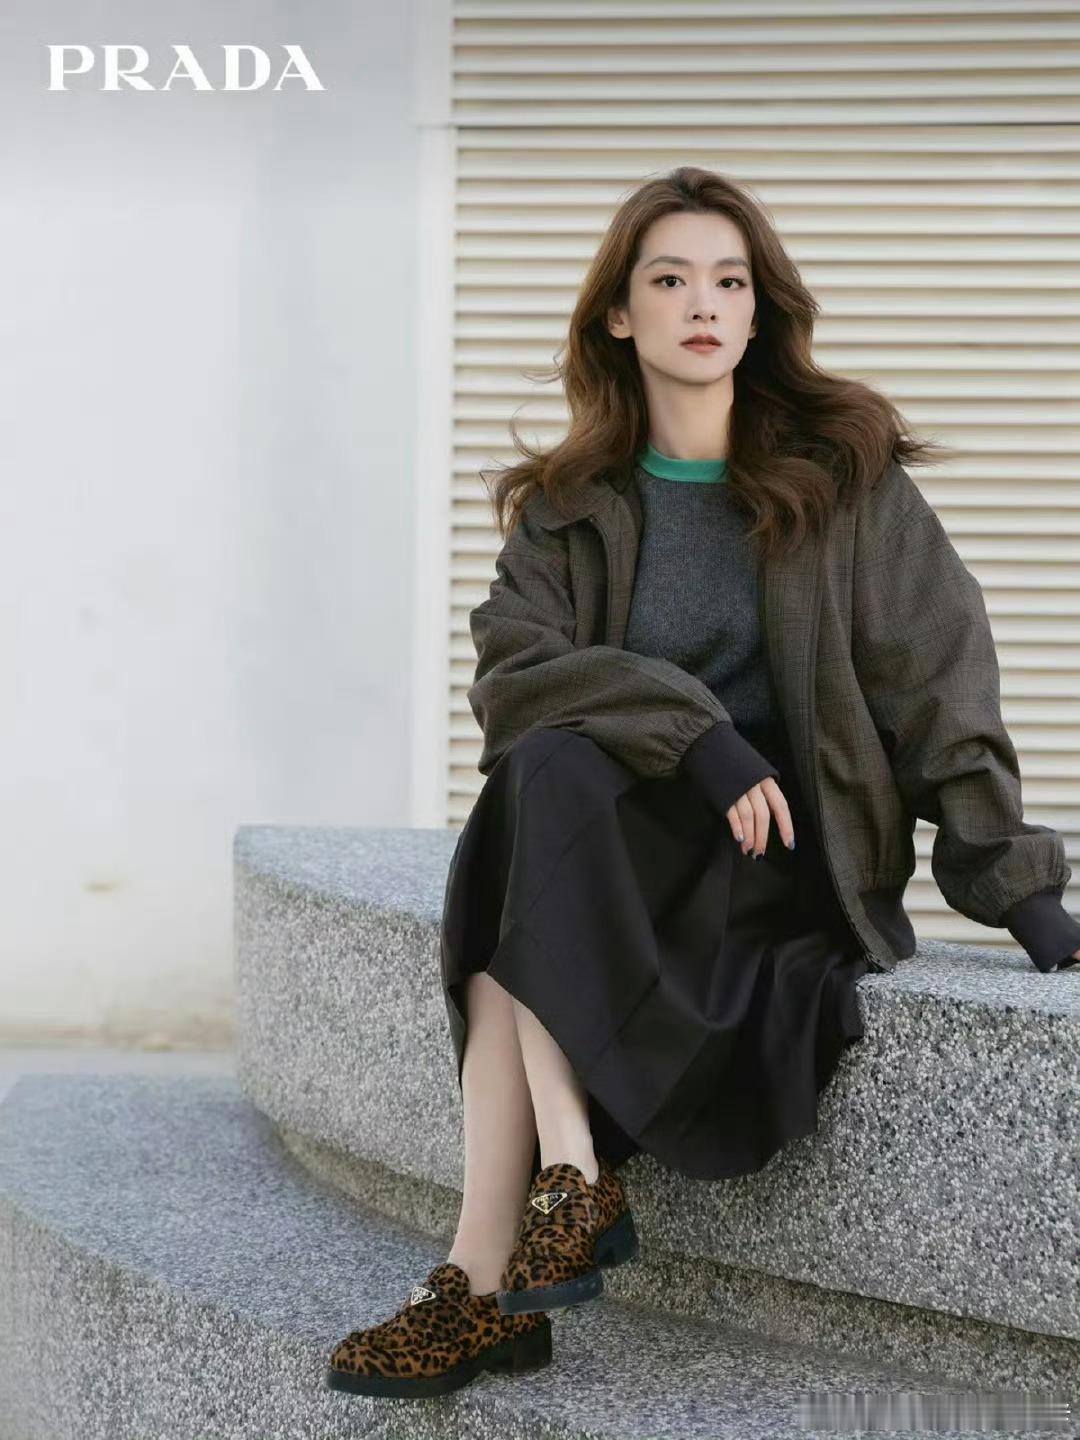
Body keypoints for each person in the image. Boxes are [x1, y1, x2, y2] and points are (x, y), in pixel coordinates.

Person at [326, 165, 1080, 1402]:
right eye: (670, 280)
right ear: (621, 316)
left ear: (758, 311)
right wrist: (693, 737)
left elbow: (939, 685)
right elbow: (515, 676)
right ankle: (557, 1190)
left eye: (729, 282)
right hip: (620, 867)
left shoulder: (843, 481)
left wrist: (1026, 897)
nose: (702, 305)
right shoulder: (569, 509)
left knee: (526, 836)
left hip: (774, 876)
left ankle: (488, 1266)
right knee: (542, 769)